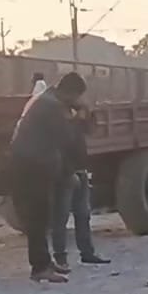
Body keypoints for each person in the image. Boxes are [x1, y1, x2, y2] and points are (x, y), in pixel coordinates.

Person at [8, 72, 89, 283]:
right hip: (32, 166)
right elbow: (67, 140)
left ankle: (44, 261)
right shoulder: (52, 106)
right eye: (77, 97)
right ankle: (40, 267)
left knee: (40, 216)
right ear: (71, 93)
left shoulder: (46, 100)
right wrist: (79, 119)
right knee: (38, 217)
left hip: (30, 162)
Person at [50, 103, 110, 272]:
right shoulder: (58, 121)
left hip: (80, 171)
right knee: (61, 217)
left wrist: (85, 113)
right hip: (65, 174)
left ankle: (87, 252)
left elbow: (91, 129)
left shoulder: (75, 121)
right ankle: (60, 258)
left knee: (83, 214)